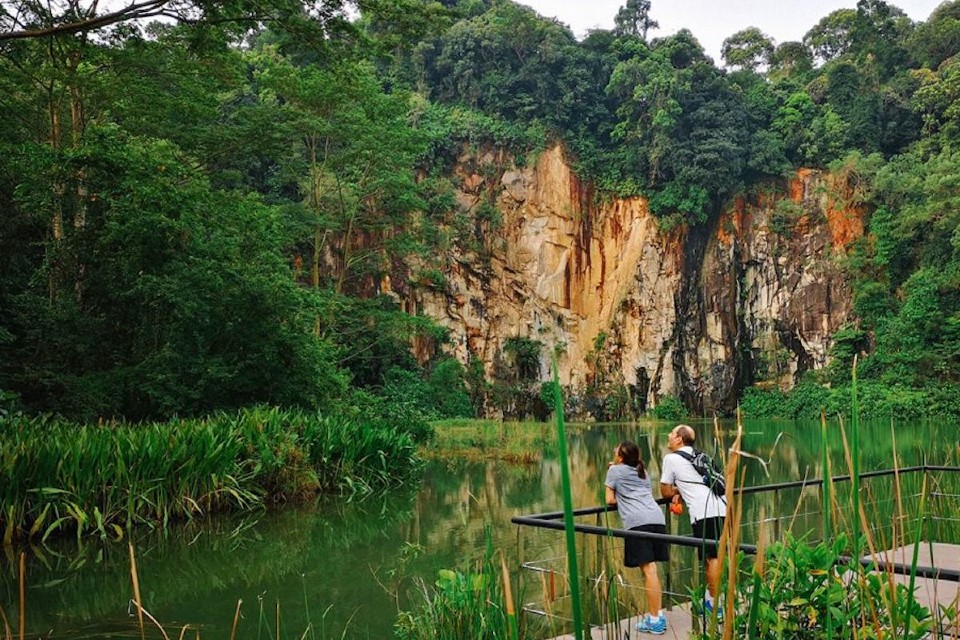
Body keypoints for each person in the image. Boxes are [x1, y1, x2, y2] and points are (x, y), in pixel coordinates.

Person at [660, 424, 727, 619]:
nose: (669, 435)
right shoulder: (702, 456)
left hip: (704, 512)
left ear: (679, 439)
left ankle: (716, 607)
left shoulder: (671, 459)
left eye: (672, 433)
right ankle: (710, 600)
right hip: (722, 507)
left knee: (712, 558)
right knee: (712, 557)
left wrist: (677, 491)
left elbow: (665, 491)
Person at [605, 440, 669, 635]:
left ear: (621, 457)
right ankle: (656, 616)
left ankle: (656, 620)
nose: (614, 454)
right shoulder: (643, 470)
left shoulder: (614, 471)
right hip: (657, 518)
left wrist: (622, 498)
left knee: (649, 570)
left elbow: (609, 500)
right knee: (652, 569)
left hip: (637, 522)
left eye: (616, 452)